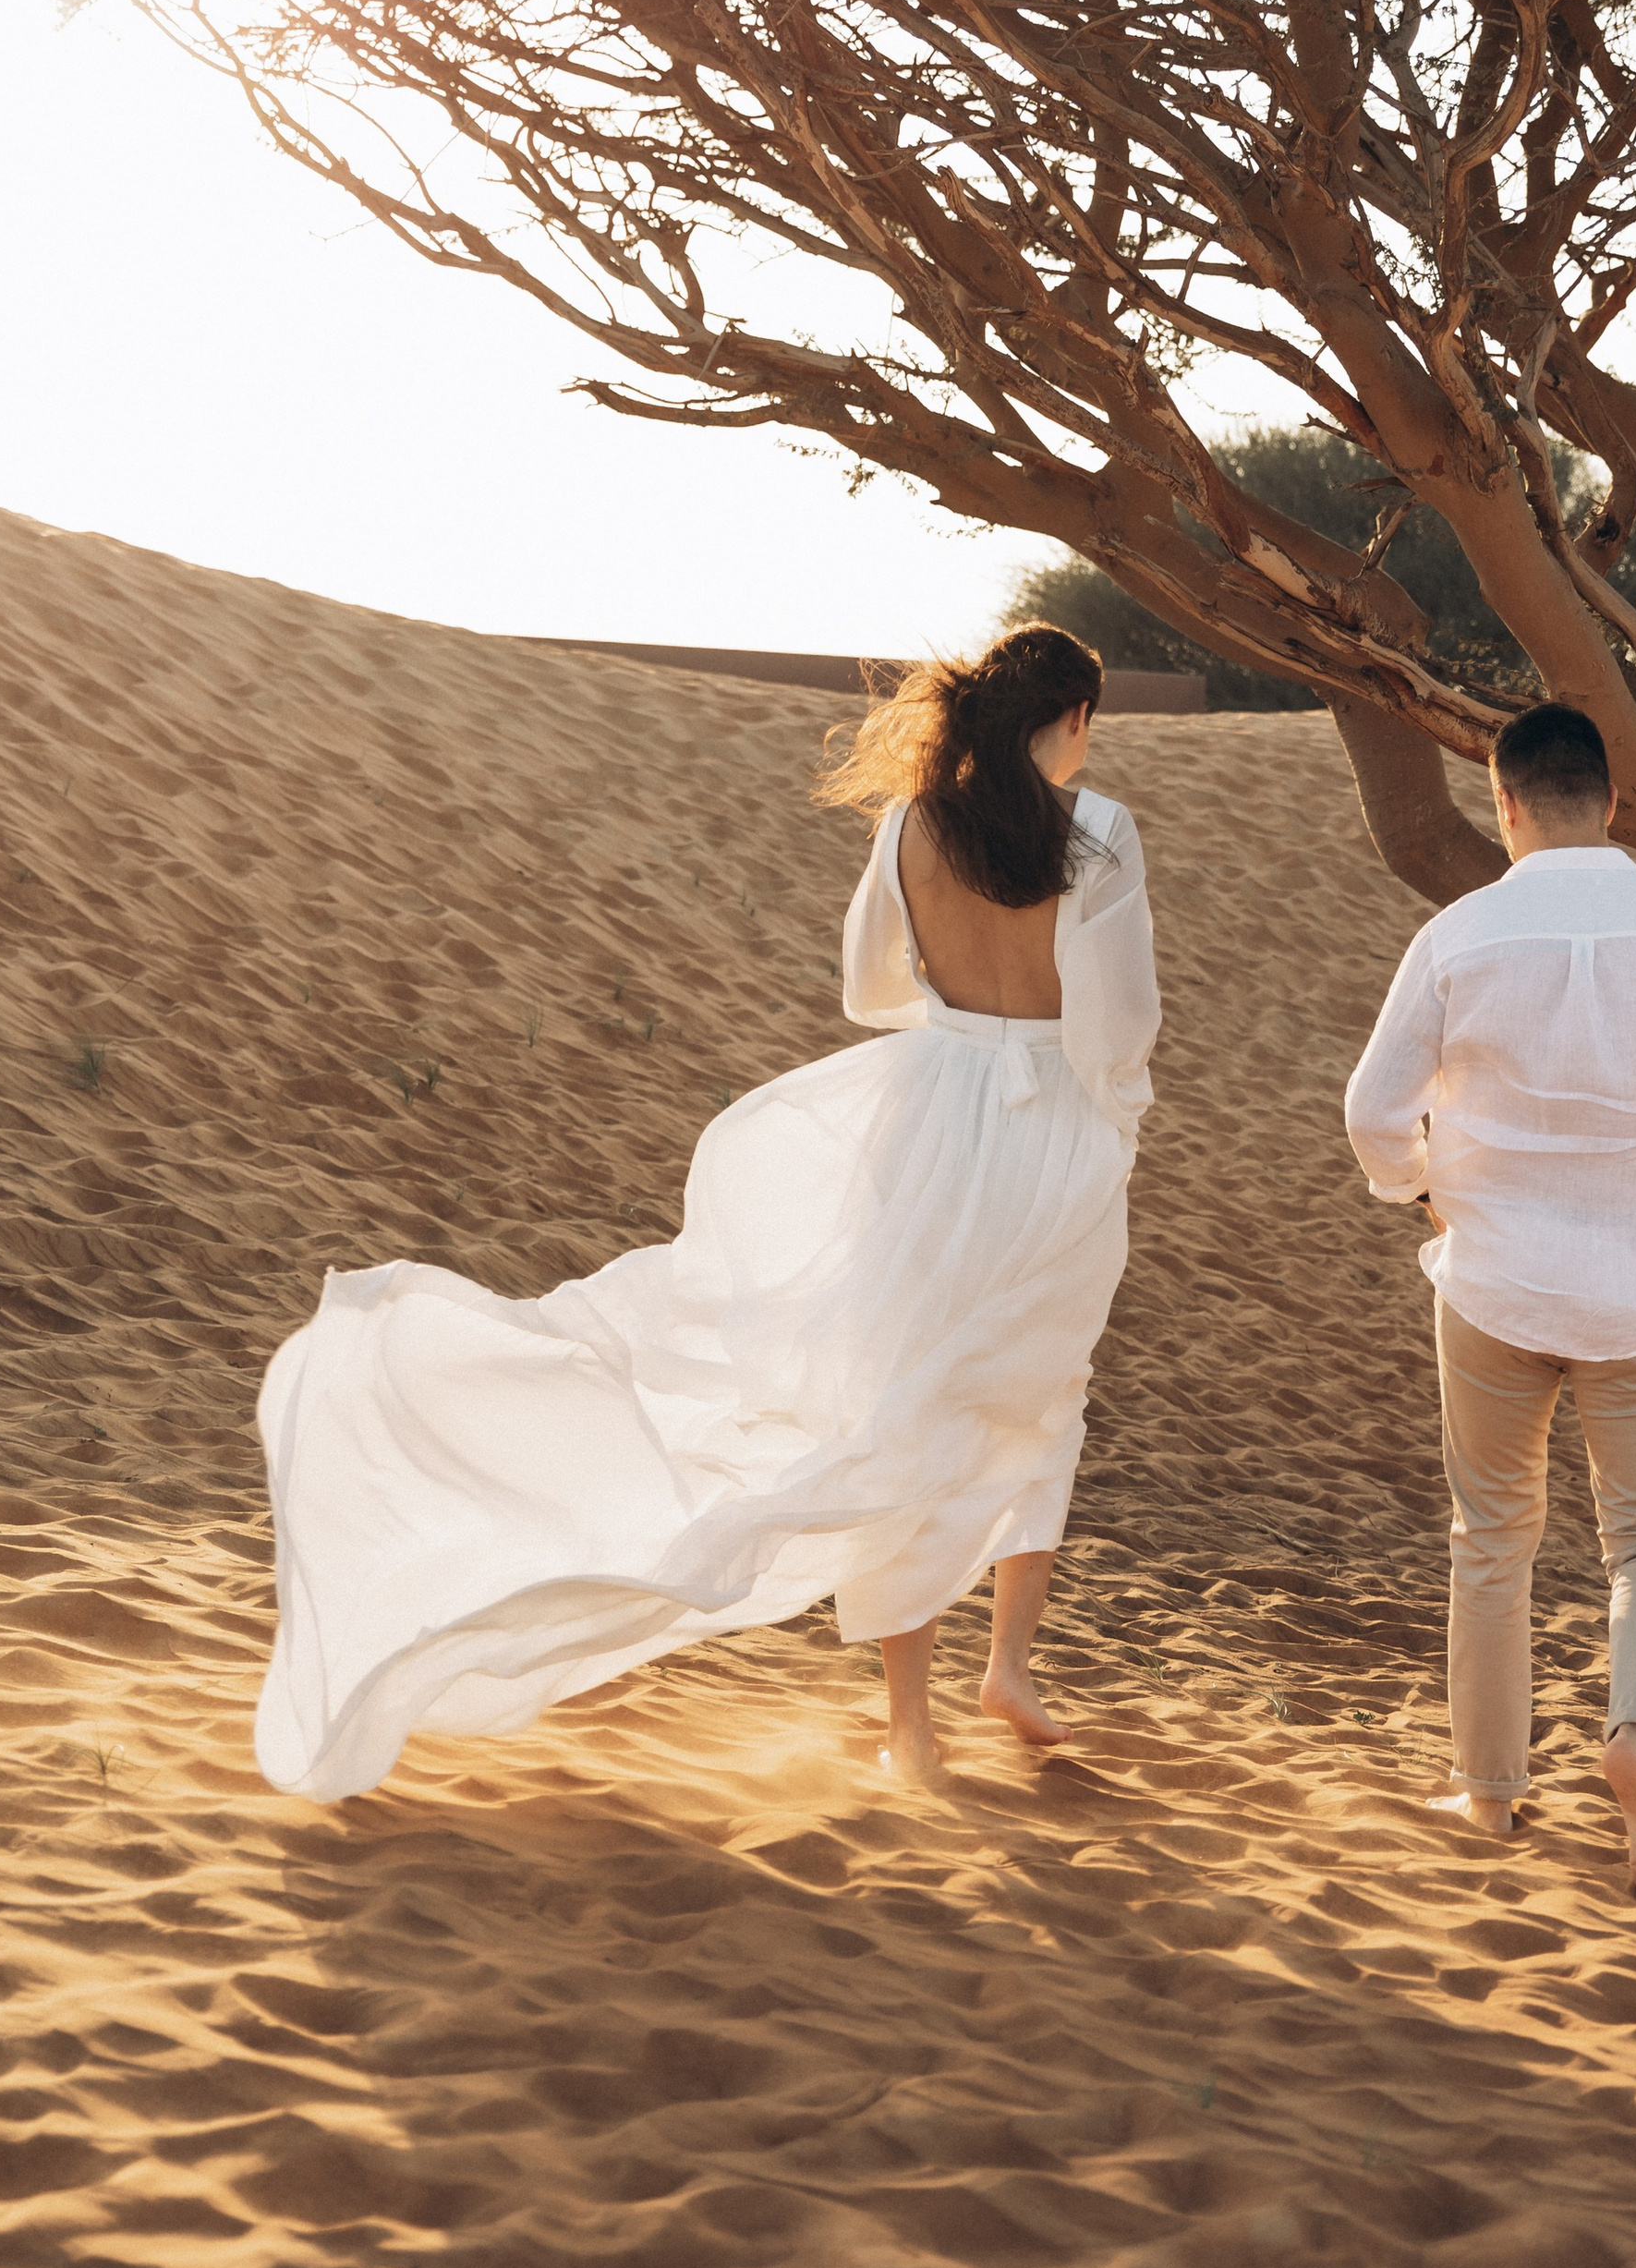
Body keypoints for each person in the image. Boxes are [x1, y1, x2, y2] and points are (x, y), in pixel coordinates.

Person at [253, 624, 1158, 1802]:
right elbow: (1118, 1019)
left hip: (923, 1116)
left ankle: (909, 1729)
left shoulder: (912, 826)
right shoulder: (1100, 833)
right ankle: (1011, 1668)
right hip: (1048, 1134)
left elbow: (865, 987)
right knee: (1034, 1392)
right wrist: (1110, 1117)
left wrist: (955, 1032)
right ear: (1076, 718)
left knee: (892, 1401)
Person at [1344, 701, 1636, 1904]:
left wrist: (1421, 1189)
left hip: (1493, 1285)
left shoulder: (1459, 934)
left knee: (1492, 1537)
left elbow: (1371, 1110)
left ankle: (1489, 1796)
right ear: (1612, 802)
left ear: (1503, 804)